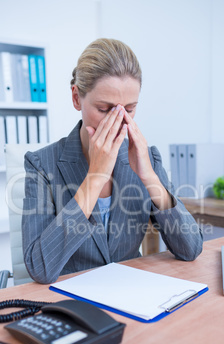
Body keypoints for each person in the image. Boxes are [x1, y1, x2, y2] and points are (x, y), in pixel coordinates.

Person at [22, 38, 203, 284]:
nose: (118, 121)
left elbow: (191, 248)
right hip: (74, 304)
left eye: (128, 109)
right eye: (105, 109)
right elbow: (40, 267)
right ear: (77, 98)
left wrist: (149, 177)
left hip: (131, 295)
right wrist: (95, 178)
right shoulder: (41, 164)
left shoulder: (147, 158)